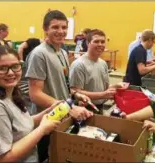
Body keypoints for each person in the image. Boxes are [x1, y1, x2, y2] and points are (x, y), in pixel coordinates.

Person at [0, 46, 62, 162]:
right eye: (2, 68)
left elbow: (18, 126)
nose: (10, 73)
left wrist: (48, 112)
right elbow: (2, 159)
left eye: (15, 66)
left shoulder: (8, 94)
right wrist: (42, 129)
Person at [25, 10, 93, 162]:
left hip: (63, 116)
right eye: (55, 27)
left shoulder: (62, 52)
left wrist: (75, 95)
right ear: (45, 29)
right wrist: (69, 108)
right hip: (47, 119)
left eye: (64, 27)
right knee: (45, 156)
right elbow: (35, 94)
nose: (60, 31)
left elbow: (63, 82)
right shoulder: (39, 54)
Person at [70, 29, 124, 114]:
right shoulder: (79, 65)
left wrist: (115, 86)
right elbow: (76, 91)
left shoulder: (103, 64)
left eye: (102, 42)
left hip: (100, 108)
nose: (100, 44)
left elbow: (103, 87)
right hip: (84, 110)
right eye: (96, 41)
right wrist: (103, 94)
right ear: (88, 43)